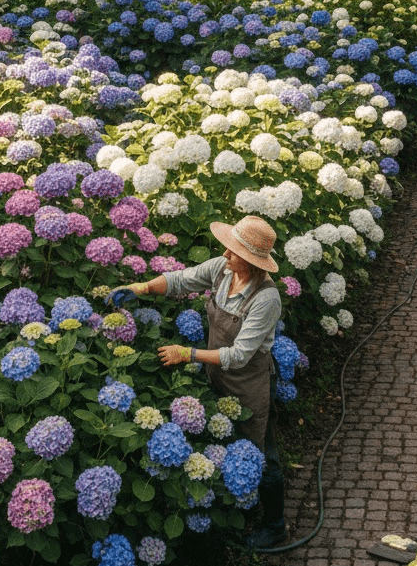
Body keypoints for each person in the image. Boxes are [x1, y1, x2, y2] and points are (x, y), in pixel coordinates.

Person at [108, 215, 287, 548]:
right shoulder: (222, 269)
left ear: (251, 260)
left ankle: (275, 525)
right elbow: (180, 280)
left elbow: (239, 355)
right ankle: (241, 510)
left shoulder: (266, 298)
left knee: (261, 452)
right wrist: (140, 288)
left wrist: (187, 354)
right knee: (228, 442)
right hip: (215, 372)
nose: (226, 253)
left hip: (249, 382)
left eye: (233, 251)